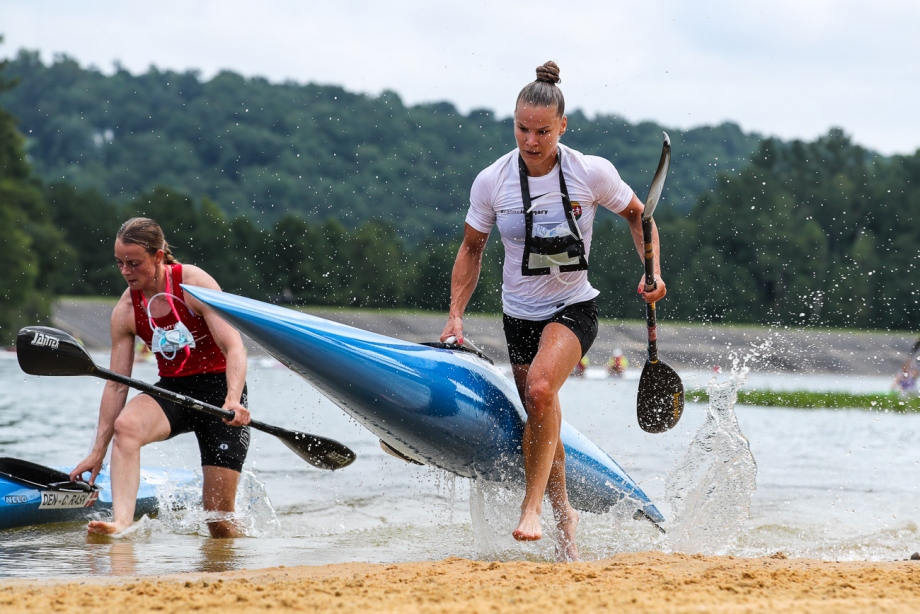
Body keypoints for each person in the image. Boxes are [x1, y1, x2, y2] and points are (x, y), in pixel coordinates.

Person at [440, 61, 666, 561]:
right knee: (539, 412)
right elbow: (471, 250)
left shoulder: (591, 171)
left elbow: (639, 217)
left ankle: (532, 508)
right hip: (518, 314)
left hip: (573, 306)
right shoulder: (492, 181)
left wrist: (652, 270)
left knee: (541, 389)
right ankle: (565, 514)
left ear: (562, 126)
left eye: (543, 131)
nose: (531, 139)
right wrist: (456, 315)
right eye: (522, 129)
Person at [70, 217, 251, 537]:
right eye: (120, 263)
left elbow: (234, 346)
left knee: (218, 522)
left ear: (158, 256)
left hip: (220, 394)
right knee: (126, 426)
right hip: (174, 391)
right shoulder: (126, 310)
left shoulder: (192, 284)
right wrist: (98, 450)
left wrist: (234, 398)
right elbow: (115, 385)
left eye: (134, 263)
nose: (126, 272)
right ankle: (122, 523)